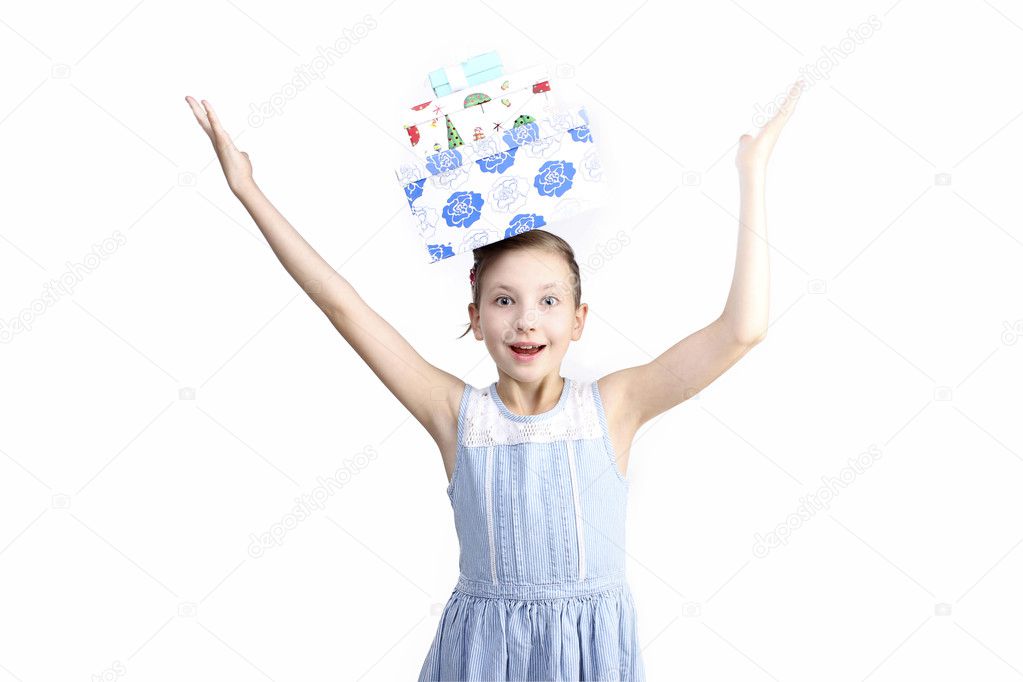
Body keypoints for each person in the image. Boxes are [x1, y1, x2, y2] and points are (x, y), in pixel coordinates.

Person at [185, 80, 803, 681]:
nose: (527, 320)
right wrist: (247, 189)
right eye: (504, 301)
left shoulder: (614, 407)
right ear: (475, 318)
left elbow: (741, 332)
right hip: (482, 659)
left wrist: (755, 172)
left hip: (588, 659)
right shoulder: (456, 415)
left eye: (548, 300)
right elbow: (344, 307)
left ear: (579, 319)